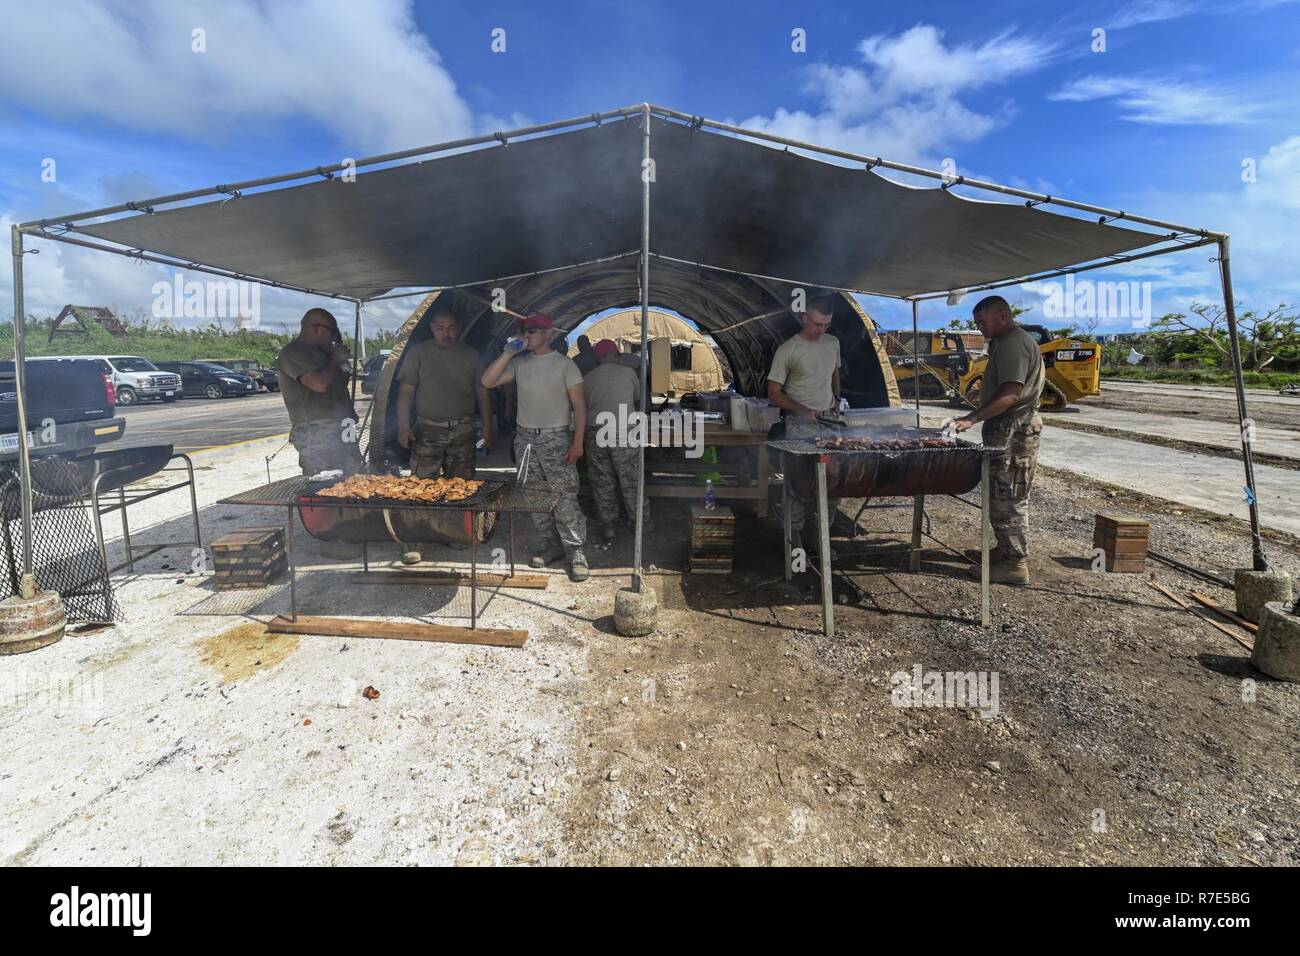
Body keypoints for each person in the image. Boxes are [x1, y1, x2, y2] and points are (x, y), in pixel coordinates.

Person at [482, 313, 589, 581]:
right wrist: (507, 353)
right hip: (526, 439)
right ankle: (550, 544)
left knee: (564, 497)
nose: (526, 334)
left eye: (532, 330)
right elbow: (488, 381)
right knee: (534, 496)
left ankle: (575, 552)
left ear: (548, 333)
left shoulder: (565, 365)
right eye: (523, 330)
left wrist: (578, 443)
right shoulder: (519, 364)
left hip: (555, 438)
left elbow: (579, 406)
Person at [953, 295, 1045, 586]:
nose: (980, 328)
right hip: (1008, 427)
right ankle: (1004, 551)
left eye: (983, 322)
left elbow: (1010, 395)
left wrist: (971, 418)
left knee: (1010, 497)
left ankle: (1015, 564)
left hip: (1014, 429)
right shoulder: (1005, 342)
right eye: (977, 322)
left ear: (1003, 314)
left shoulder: (1014, 345)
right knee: (1000, 494)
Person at [394, 308, 494, 563]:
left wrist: (487, 425)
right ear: (432, 328)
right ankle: (415, 539)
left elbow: (482, 391)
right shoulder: (419, 353)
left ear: (458, 328)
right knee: (420, 486)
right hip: (427, 429)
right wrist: (404, 427)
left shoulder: (470, 356)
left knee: (459, 486)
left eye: (451, 328)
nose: (446, 334)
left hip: (463, 429)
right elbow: (406, 392)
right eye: (440, 328)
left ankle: (454, 533)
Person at [767, 294, 846, 555]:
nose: (821, 330)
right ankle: (795, 539)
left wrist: (836, 399)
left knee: (833, 482)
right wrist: (802, 410)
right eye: (816, 324)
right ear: (804, 318)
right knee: (798, 483)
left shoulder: (833, 342)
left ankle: (821, 536)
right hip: (799, 425)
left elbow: (834, 371)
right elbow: (774, 393)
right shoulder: (788, 350)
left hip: (829, 422)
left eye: (826, 325)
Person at [276, 308, 363, 478]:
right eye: (332, 332)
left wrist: (341, 363)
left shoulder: (325, 355)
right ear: (315, 328)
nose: (334, 337)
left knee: (355, 475)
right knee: (325, 481)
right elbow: (320, 384)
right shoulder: (293, 353)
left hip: (343, 424)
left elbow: (339, 385)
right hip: (317, 430)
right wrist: (335, 360)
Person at [584, 339, 650, 544]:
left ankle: (609, 525)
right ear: (616, 354)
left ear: (599, 357)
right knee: (631, 479)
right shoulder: (628, 373)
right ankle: (641, 522)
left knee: (603, 479)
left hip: (596, 432)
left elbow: (583, 404)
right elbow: (638, 396)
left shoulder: (588, 377)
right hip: (624, 429)